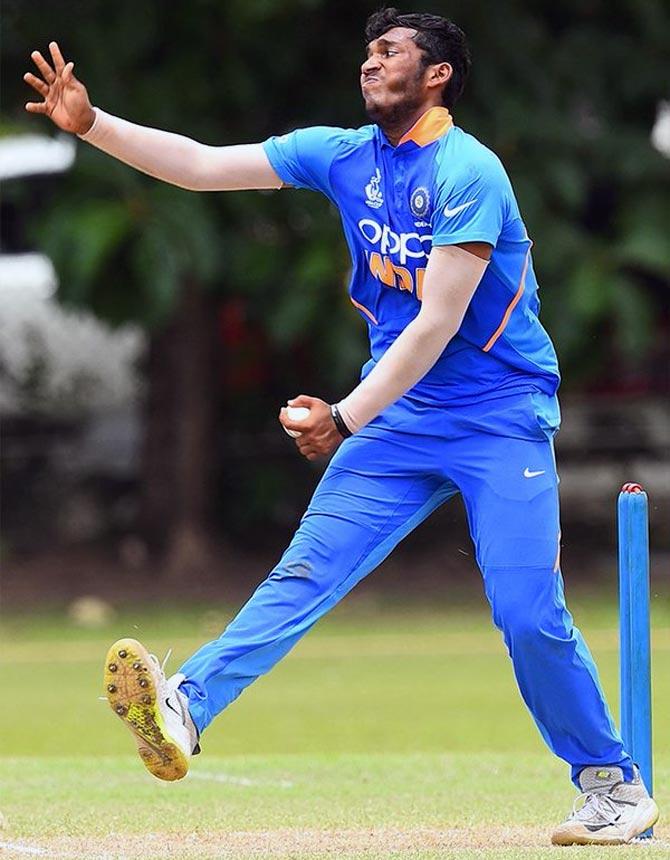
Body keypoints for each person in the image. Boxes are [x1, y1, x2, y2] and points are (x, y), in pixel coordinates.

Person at [25, 8, 658, 846]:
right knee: (304, 574)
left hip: (496, 418)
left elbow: (436, 323)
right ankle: (185, 707)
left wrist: (345, 414)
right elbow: (206, 167)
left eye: (389, 53)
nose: (369, 65)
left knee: (526, 612)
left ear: (437, 74)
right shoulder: (343, 155)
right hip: (398, 418)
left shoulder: (472, 172)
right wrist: (93, 124)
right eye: (366, 53)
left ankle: (612, 787)